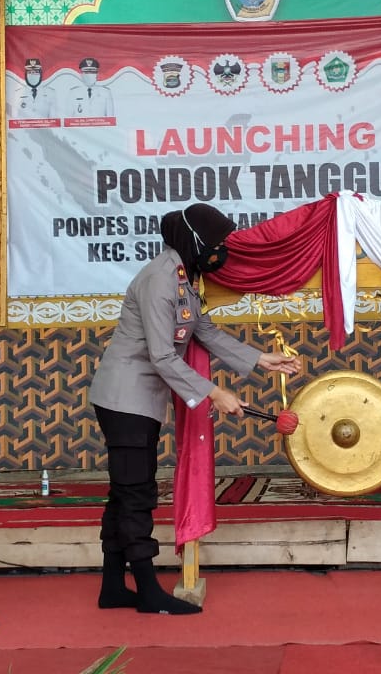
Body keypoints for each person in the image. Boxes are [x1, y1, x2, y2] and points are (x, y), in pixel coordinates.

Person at [88, 203, 300, 615]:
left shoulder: (185, 277)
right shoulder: (159, 280)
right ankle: (147, 590)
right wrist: (213, 393)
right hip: (124, 399)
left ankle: (112, 586)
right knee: (136, 494)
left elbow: (203, 330)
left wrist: (260, 359)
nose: (222, 250)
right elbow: (163, 355)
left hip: (140, 400)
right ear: (195, 241)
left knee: (124, 493)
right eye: (217, 243)